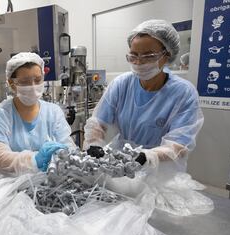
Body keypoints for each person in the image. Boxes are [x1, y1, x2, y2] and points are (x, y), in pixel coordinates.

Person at [84, 19, 203, 173]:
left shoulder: (184, 93)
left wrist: (149, 157)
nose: (139, 62)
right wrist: (94, 144)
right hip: (122, 166)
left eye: (149, 56)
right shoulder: (121, 84)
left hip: (162, 171)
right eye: (133, 55)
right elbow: (98, 123)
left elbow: (179, 145)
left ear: (167, 55)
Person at [0, 52, 74, 176]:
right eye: (25, 82)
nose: (33, 86)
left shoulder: (53, 112)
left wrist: (65, 154)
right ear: (11, 83)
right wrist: (34, 160)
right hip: (8, 187)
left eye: (38, 80)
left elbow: (68, 148)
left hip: (46, 184)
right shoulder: (0, 115)